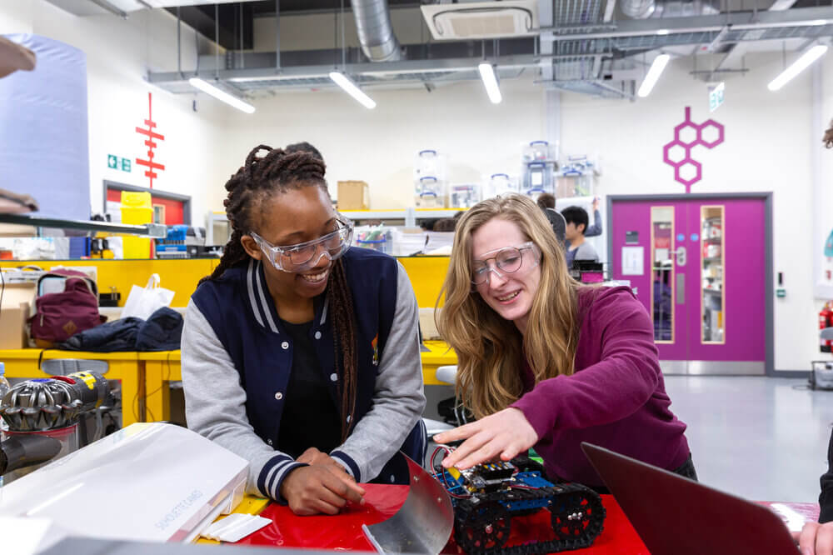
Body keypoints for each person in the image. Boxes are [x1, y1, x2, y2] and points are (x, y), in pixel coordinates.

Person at [181, 145, 426, 516]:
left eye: (330, 233)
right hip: (266, 499)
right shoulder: (215, 309)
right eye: (295, 248)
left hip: (373, 491)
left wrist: (341, 467)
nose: (322, 257)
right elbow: (217, 425)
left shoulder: (382, 281)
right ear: (253, 246)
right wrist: (287, 477)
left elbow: (401, 397)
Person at [433, 194, 693, 491]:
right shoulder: (497, 340)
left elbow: (634, 373)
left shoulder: (610, 307)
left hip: (659, 488)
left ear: (543, 252)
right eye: (479, 269)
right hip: (575, 493)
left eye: (509, 259)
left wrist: (534, 409)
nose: (494, 282)